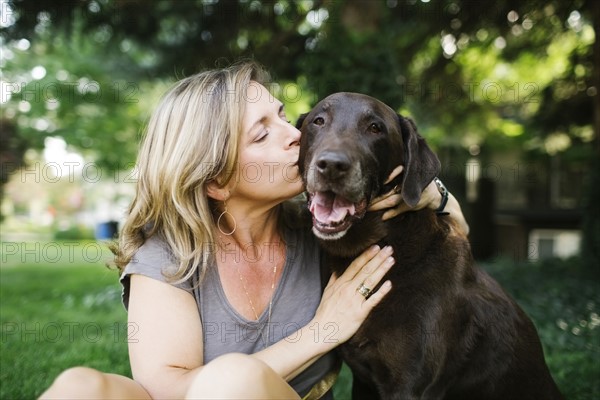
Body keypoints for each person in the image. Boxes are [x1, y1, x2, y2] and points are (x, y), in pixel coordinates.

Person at [40, 61, 468, 400]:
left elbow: (453, 242)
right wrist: (324, 331)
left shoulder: (324, 230)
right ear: (216, 180)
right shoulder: (170, 255)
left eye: (283, 117)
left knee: (233, 379)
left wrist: (435, 195)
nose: (297, 135)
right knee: (82, 388)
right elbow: (166, 391)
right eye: (263, 134)